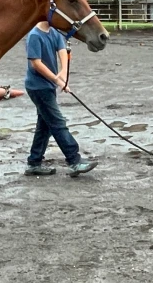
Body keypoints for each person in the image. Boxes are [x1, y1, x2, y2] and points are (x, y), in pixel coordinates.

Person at [23, 21, 97, 177]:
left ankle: (34, 162)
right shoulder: (34, 36)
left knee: (45, 125)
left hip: (48, 86)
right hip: (38, 87)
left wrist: (63, 73)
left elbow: (62, 49)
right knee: (57, 122)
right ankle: (74, 160)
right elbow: (36, 63)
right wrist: (56, 80)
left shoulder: (53, 31)